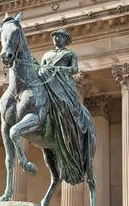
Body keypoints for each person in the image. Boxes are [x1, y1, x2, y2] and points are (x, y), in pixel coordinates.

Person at [38, 29, 90, 185]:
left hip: (63, 86)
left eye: (59, 36)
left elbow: (74, 69)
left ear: (65, 39)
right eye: (54, 37)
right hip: (49, 84)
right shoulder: (46, 55)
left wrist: (63, 69)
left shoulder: (70, 54)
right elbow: (40, 70)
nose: (56, 39)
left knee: (63, 104)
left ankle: (68, 131)